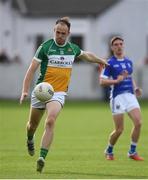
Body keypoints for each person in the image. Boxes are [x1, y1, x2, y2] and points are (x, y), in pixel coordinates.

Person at [20, 16, 108, 173]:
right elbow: (31, 69)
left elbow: (87, 55)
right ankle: (29, 138)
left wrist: (101, 60)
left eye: (63, 33)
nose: (59, 35)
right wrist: (25, 90)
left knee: (50, 121)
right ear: (54, 31)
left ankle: (42, 157)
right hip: (41, 91)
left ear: (68, 33)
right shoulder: (45, 47)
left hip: (58, 93)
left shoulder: (72, 49)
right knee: (32, 125)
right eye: (57, 32)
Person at [100, 36, 143, 161]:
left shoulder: (129, 62)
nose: (119, 46)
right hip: (117, 97)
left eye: (121, 44)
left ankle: (132, 151)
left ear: (123, 46)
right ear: (112, 47)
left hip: (130, 96)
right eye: (116, 44)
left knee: (138, 123)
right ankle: (109, 149)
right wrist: (116, 81)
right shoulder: (109, 63)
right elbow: (102, 81)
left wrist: (135, 88)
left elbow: (129, 77)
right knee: (119, 130)